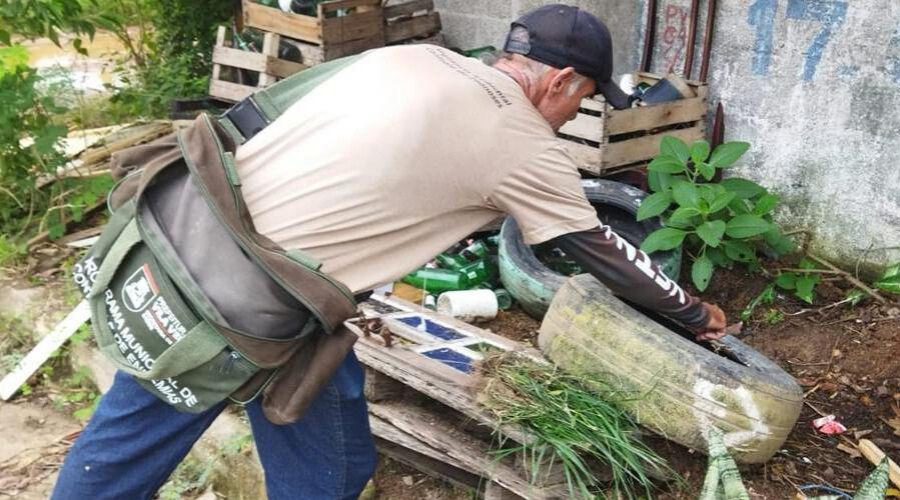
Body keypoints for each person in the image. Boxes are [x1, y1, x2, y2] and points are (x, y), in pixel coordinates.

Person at [52, 4, 727, 499]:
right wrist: (693, 316)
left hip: (183, 244)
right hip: (252, 310)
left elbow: (256, 117)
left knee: (139, 437)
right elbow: (599, 248)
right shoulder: (521, 139)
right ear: (564, 82)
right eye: (582, 99)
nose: (573, 112)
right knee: (323, 476)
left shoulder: (412, 59)